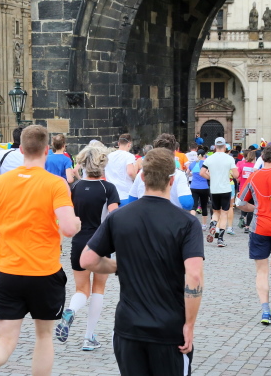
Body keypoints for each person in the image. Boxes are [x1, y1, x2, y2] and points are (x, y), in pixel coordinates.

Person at [81, 148, 204, 376]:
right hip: (169, 328)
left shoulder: (118, 216)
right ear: (172, 180)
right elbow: (194, 276)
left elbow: (87, 259)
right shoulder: (187, 223)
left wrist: (119, 265)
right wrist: (189, 324)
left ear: (143, 177)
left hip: (128, 327)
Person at [0, 125, 81, 376]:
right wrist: (76, 223)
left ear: (21, 149)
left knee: (4, 341)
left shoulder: (0, 182)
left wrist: (7, 218)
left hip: (7, 271)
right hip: (44, 272)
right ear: (46, 150)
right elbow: (68, 228)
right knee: (44, 338)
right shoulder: (56, 184)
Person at [55, 146, 119, 351]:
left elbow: (67, 216)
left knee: (82, 289)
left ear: (82, 163)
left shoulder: (75, 188)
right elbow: (114, 216)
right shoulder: (108, 188)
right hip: (100, 242)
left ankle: (71, 310)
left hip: (79, 242)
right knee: (98, 289)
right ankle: (88, 337)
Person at [237, 144, 271, 325]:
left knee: (261, 270)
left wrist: (256, 208)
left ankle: (265, 312)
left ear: (262, 158)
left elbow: (240, 203)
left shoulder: (254, 176)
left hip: (259, 228)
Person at [128, 134, 193, 211]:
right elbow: (187, 204)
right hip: (171, 215)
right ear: (174, 152)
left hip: (145, 215)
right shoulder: (178, 174)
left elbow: (132, 200)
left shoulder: (143, 172)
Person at [200, 137, 239, 247]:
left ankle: (213, 225)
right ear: (225, 146)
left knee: (216, 212)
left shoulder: (209, 158)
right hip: (226, 189)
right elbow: (236, 175)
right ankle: (220, 239)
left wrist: (211, 177)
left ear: (215, 146)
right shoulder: (229, 158)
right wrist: (231, 174)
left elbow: (202, 172)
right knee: (224, 213)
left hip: (214, 189)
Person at [104, 134, 136, 205]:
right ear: (129, 144)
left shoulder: (109, 156)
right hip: (125, 194)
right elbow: (130, 172)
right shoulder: (129, 156)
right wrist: (136, 178)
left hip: (111, 195)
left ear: (118, 143)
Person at [188, 150, 210, 230]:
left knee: (194, 206)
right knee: (204, 206)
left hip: (193, 186)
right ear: (204, 155)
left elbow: (188, 173)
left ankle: (191, 223)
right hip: (204, 187)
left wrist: (193, 174)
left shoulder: (192, 164)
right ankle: (204, 225)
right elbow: (208, 174)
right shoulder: (205, 164)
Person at [236, 149, 256, 232]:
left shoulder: (242, 165)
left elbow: (237, 176)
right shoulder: (255, 167)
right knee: (251, 207)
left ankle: (243, 216)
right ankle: (247, 226)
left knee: (243, 204)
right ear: (254, 158)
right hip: (252, 189)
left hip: (243, 188)